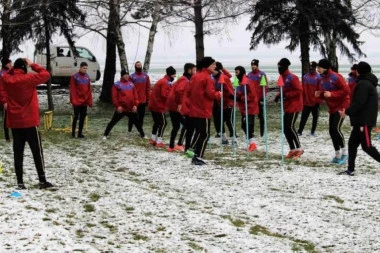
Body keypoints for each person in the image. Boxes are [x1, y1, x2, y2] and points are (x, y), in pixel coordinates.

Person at [2, 58, 54, 189]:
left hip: (15, 122)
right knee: (37, 152)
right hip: (30, 122)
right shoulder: (29, 79)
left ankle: (20, 182)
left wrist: (13, 68)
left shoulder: (7, 79)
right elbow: (46, 74)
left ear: (15, 68)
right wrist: (32, 64)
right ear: (25, 68)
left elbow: (6, 75)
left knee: (18, 153)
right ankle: (42, 180)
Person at [338, 62, 380, 176]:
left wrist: (347, 112)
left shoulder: (364, 84)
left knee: (366, 146)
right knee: (352, 144)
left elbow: (359, 102)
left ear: (358, 71)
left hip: (364, 120)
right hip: (359, 120)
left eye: (354, 70)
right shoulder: (364, 82)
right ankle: (350, 169)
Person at [186, 57, 220, 165]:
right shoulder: (207, 78)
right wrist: (218, 94)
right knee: (205, 134)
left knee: (199, 132)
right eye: (213, 64)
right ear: (207, 65)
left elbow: (189, 92)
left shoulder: (195, 76)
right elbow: (210, 94)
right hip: (203, 110)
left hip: (194, 109)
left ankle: (191, 150)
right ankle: (198, 157)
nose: (215, 66)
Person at [315, 59, 350, 164]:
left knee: (336, 128)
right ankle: (337, 154)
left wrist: (332, 94)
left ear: (325, 68)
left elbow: (346, 91)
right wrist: (319, 95)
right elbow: (325, 92)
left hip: (342, 106)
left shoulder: (336, 76)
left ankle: (345, 153)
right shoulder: (321, 78)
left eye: (319, 67)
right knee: (331, 131)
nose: (317, 69)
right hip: (332, 107)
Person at [274, 58, 303, 158]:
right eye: (278, 66)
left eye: (280, 66)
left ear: (285, 66)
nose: (279, 68)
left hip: (295, 105)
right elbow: (284, 90)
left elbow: (299, 90)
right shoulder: (282, 77)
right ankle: (292, 149)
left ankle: (299, 149)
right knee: (285, 129)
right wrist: (278, 95)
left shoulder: (292, 77)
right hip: (287, 106)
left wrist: (286, 95)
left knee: (290, 127)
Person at [103, 70, 145, 139]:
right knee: (113, 122)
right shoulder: (116, 84)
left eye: (127, 74)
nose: (126, 76)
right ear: (122, 75)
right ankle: (105, 134)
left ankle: (142, 135)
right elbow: (114, 97)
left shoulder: (131, 84)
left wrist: (135, 105)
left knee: (136, 122)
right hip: (121, 108)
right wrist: (118, 106)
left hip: (130, 108)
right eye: (125, 74)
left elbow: (135, 96)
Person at [166, 63, 196, 152]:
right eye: (194, 70)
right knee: (187, 125)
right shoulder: (184, 80)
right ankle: (178, 144)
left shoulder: (183, 79)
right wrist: (180, 104)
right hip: (176, 106)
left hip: (173, 105)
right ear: (189, 70)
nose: (195, 72)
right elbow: (180, 91)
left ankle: (171, 146)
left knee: (176, 126)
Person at [148, 66, 176, 147]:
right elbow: (164, 95)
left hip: (153, 104)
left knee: (157, 122)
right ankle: (159, 141)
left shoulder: (164, 81)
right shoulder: (165, 82)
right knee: (163, 123)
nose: (175, 76)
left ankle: (153, 139)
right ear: (171, 74)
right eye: (174, 74)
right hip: (158, 105)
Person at [235, 66, 259, 152]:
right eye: (235, 72)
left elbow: (252, 95)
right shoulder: (239, 82)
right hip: (244, 108)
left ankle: (253, 144)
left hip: (250, 107)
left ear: (241, 72)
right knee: (244, 125)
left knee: (247, 125)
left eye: (237, 72)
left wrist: (241, 98)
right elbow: (239, 93)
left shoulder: (248, 82)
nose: (236, 74)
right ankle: (251, 143)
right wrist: (235, 97)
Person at [297, 61, 322, 136]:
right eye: (310, 67)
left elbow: (320, 90)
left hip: (315, 102)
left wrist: (318, 101)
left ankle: (313, 132)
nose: (311, 68)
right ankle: (300, 131)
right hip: (306, 102)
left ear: (315, 68)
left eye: (312, 67)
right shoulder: (305, 76)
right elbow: (302, 89)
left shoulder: (318, 77)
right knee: (303, 117)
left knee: (315, 118)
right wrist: (302, 99)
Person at [212, 62, 234, 144]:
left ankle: (233, 138)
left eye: (213, 71)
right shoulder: (213, 78)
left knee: (228, 120)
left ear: (217, 70)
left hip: (226, 103)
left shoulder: (224, 77)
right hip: (218, 103)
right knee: (218, 121)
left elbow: (229, 91)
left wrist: (227, 101)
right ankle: (224, 138)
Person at [70, 62, 93, 138]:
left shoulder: (87, 77)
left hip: (84, 101)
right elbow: (72, 89)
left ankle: (80, 133)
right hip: (77, 101)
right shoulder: (75, 76)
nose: (85, 70)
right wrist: (74, 100)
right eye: (84, 68)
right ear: (80, 68)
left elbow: (89, 90)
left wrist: (89, 101)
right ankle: (73, 133)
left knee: (83, 117)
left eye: (86, 68)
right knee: (76, 117)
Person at [246, 59, 268, 137]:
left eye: (254, 65)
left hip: (259, 99)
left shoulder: (262, 74)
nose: (253, 66)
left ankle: (262, 132)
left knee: (261, 116)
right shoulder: (249, 75)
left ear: (257, 65)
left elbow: (265, 87)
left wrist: (263, 96)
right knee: (251, 117)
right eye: (252, 65)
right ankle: (251, 132)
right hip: (252, 100)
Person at [129, 61, 151, 133]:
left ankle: (140, 131)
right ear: (135, 67)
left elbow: (148, 88)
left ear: (141, 66)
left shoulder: (146, 76)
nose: (139, 66)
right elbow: (129, 88)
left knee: (141, 117)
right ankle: (130, 130)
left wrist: (148, 99)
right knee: (132, 116)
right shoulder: (131, 76)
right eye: (137, 65)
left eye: (140, 65)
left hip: (143, 100)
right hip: (134, 100)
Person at [0, 58, 12, 142]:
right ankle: (7, 136)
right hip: (5, 99)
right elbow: (2, 88)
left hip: (10, 98)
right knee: (6, 117)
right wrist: (4, 101)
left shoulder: (8, 72)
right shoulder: (2, 74)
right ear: (5, 64)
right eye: (9, 63)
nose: (11, 65)